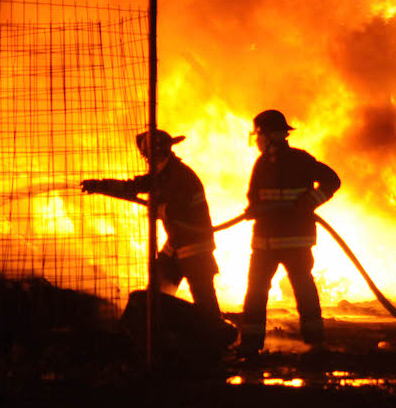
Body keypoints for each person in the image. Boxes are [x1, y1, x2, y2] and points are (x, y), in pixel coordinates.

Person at [81, 129, 223, 326]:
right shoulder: (163, 173)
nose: (146, 159)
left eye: (146, 154)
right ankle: (150, 333)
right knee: (157, 291)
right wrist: (99, 185)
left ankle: (216, 341)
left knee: (204, 301)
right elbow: (132, 187)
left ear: (153, 153)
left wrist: (162, 209)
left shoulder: (179, 176)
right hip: (176, 244)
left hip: (195, 249)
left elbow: (180, 208)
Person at [238, 109, 341, 357]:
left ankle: (315, 344)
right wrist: (253, 209)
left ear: (272, 136)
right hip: (265, 243)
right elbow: (254, 195)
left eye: (260, 135)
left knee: (303, 290)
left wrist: (311, 200)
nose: (258, 141)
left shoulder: (300, 160)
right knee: (255, 292)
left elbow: (332, 180)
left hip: (295, 242)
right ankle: (251, 344)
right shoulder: (261, 164)